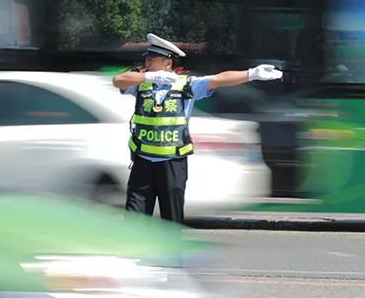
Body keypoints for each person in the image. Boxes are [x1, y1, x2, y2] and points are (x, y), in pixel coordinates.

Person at [112, 33, 283, 223]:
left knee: (171, 221)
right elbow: (118, 80)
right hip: (142, 163)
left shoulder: (187, 85)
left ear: (167, 63)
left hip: (172, 163)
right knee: (133, 221)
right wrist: (149, 76)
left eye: (152, 59)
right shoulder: (141, 83)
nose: (147, 62)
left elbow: (218, 79)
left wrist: (251, 74)